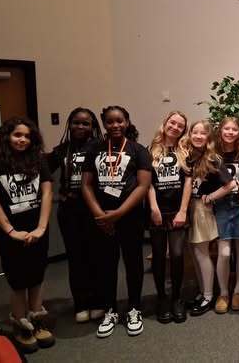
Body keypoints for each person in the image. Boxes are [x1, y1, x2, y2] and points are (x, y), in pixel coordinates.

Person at [0, 117, 55, 353]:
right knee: (17, 280)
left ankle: (36, 320)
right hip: (11, 234)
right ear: (7, 137)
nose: (22, 139)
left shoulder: (38, 162)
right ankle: (19, 322)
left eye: (27, 136)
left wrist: (42, 228)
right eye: (17, 135)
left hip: (38, 230)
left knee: (36, 276)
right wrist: (11, 231)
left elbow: (46, 195)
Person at [81, 105, 151, 338]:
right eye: (110, 122)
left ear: (127, 121)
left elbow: (142, 186)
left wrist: (118, 213)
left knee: (133, 264)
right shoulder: (94, 149)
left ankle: (133, 308)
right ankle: (110, 310)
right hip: (102, 220)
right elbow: (86, 185)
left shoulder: (138, 150)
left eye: (120, 120)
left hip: (130, 217)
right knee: (105, 265)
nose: (115, 125)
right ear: (104, 123)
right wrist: (101, 215)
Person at [47, 107, 103, 324]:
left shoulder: (99, 148)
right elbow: (41, 172)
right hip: (69, 212)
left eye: (86, 123)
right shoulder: (61, 150)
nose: (81, 127)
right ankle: (81, 303)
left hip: (94, 211)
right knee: (76, 258)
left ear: (93, 127)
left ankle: (98, 301)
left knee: (96, 257)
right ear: (69, 124)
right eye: (76, 122)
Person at [178, 120, 234, 316]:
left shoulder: (213, 159)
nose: (198, 136)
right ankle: (202, 292)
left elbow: (230, 185)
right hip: (188, 207)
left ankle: (209, 296)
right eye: (195, 132)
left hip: (202, 209)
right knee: (194, 252)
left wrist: (211, 197)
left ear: (209, 137)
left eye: (203, 133)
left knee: (202, 252)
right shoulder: (188, 156)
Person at [147, 111, 191, 324]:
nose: (175, 127)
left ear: (183, 130)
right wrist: (154, 207)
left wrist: (183, 211)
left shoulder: (184, 151)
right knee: (157, 255)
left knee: (176, 255)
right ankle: (162, 298)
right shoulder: (150, 150)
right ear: (164, 123)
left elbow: (188, 183)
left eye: (180, 125)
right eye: (172, 122)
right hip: (157, 211)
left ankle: (177, 298)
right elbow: (147, 183)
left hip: (178, 211)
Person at [213, 117, 239, 314]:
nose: (229, 132)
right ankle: (223, 293)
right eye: (226, 128)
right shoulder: (213, 154)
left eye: (234, 129)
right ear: (220, 131)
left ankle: (238, 291)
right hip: (222, 206)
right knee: (225, 252)